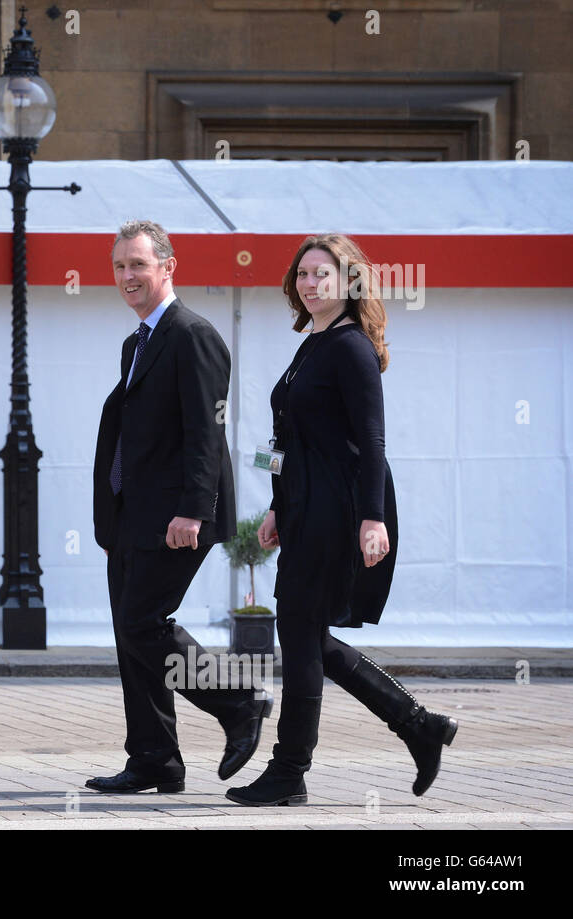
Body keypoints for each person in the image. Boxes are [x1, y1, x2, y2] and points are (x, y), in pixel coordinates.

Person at [227, 234, 457, 806]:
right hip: (305, 506)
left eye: (321, 275)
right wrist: (278, 505)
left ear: (348, 282)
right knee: (305, 635)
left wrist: (373, 519)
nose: (309, 284)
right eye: (302, 274)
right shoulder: (311, 343)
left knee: (300, 634)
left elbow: (372, 440)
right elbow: (288, 441)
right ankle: (416, 724)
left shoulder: (350, 347)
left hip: (340, 508)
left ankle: (289, 771)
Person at [88, 220, 272, 794]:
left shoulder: (193, 334)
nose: (127, 277)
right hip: (131, 515)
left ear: (168, 267)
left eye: (138, 265)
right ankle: (154, 759)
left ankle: (239, 702)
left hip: (176, 515)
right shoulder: (137, 342)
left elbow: (205, 434)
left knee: (144, 622)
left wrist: (193, 510)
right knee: (130, 632)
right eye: (119, 266)